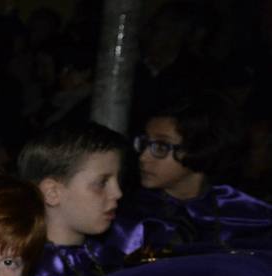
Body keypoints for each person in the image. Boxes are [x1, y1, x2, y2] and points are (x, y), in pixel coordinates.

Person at [107, 91, 272, 258]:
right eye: (144, 143)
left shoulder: (249, 215)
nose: (143, 157)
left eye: (161, 146)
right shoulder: (125, 214)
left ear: (200, 149)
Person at [9, 121, 127, 276]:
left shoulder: (103, 253)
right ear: (52, 193)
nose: (118, 193)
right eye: (102, 183)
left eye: (118, 180)